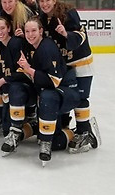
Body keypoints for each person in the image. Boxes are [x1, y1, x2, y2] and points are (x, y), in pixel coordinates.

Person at [13, 18, 82, 165]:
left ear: (41, 31)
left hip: (66, 93)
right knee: (21, 89)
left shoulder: (46, 48)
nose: (30, 34)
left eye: (33, 31)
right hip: (50, 93)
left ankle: (67, 135)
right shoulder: (31, 46)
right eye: (27, 31)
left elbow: (53, 82)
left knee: (47, 97)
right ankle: (35, 127)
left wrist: (29, 69)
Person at [38, 0, 99, 153]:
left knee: (81, 97)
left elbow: (81, 34)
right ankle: (74, 129)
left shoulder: (68, 13)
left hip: (81, 62)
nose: (44, 4)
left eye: (47, 0)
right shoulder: (43, 18)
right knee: (68, 96)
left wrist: (66, 34)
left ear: (55, 0)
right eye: (41, 1)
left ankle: (84, 131)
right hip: (64, 67)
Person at [0, 17, 30, 135]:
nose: (0, 32)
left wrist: (3, 80)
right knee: (5, 130)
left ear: (8, 28)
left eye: (2, 28)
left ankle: (30, 120)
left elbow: (23, 72)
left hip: (22, 88)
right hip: (6, 91)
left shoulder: (17, 43)